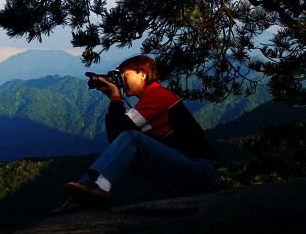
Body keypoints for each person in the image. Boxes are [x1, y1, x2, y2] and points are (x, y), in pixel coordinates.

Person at [53, 55, 220, 214]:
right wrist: (113, 98)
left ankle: (97, 189)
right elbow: (117, 140)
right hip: (191, 174)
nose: (121, 80)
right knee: (128, 146)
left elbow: (126, 133)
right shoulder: (150, 99)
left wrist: (116, 97)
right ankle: (83, 196)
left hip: (202, 171)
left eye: (124, 75)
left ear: (142, 74)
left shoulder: (159, 96)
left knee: (132, 138)